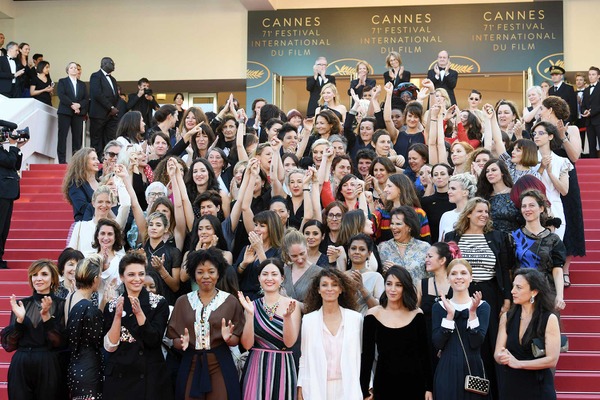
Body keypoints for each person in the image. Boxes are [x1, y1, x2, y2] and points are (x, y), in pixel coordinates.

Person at [167, 248, 245, 400]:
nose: (206, 276)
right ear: (193, 274)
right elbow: (175, 339)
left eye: (211, 271)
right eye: (200, 272)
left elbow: (236, 339)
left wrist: (229, 338)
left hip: (220, 363)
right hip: (190, 362)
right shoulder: (182, 301)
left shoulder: (230, 301)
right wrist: (181, 342)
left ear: (218, 273)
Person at [103, 251, 173, 400]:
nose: (137, 279)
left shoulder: (158, 303)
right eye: (131, 274)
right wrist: (117, 317)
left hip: (150, 378)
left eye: (141, 274)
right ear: (122, 277)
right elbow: (110, 347)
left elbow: (154, 340)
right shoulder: (112, 306)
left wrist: (140, 313)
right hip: (120, 378)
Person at [360, 266, 433, 400]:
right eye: (389, 284)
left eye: (398, 285)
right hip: (384, 383)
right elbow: (367, 357)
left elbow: (424, 354)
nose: (392, 289)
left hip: (415, 384)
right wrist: (364, 390)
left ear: (405, 287)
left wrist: (429, 387)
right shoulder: (372, 315)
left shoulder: (417, 314)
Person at [1, 260, 66, 400]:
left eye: (44, 274)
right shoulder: (21, 304)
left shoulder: (62, 304)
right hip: (21, 364)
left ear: (53, 279)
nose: (38, 278)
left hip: (48, 364)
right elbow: (9, 345)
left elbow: (59, 342)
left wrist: (46, 317)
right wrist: (19, 320)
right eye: (34, 275)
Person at [239, 258, 302, 400]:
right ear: (259, 278)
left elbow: (289, 343)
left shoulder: (293, 305)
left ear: (282, 278)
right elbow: (247, 345)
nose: (269, 278)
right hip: (256, 366)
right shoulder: (251, 305)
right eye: (265, 274)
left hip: (283, 366)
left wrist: (287, 318)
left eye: (274, 274)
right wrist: (250, 315)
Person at [495, 268, 561, 400]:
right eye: (513, 286)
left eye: (518, 287)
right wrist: (502, 356)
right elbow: (497, 354)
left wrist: (519, 363)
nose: (512, 291)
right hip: (511, 386)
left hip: (539, 387)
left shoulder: (549, 319)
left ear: (534, 292)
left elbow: (552, 360)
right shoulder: (507, 317)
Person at [297, 268, 362, 399]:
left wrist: (368, 384)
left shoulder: (355, 319)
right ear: (318, 289)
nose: (329, 289)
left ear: (341, 289)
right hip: (316, 387)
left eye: (334, 284)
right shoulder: (308, 320)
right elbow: (304, 357)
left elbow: (362, 354)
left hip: (349, 387)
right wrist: (301, 386)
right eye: (324, 285)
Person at [432, 258, 491, 400]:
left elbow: (476, 342)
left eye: (463, 273)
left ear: (471, 278)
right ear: (448, 278)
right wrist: (449, 316)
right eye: (454, 273)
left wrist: (472, 313)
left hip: (473, 371)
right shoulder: (439, 307)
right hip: (447, 371)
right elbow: (438, 343)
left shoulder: (482, 307)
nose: (459, 277)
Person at [511, 189, 566, 311]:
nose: (527, 209)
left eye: (531, 205)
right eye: (524, 206)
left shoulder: (553, 239)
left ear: (541, 208)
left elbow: (557, 269)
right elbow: (509, 268)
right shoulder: (513, 237)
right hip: (520, 293)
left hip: (545, 291)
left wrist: (560, 295)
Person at [64, 255, 104, 400]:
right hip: (89, 368)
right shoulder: (89, 308)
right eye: (99, 276)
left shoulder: (70, 297)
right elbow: (99, 341)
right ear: (95, 279)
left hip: (73, 365)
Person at [418, 242, 459, 372]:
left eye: (430, 256)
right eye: (426, 256)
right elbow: (415, 314)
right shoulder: (422, 284)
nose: (426, 260)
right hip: (426, 343)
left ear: (442, 260)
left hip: (451, 343)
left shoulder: (456, 284)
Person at [532, 121, 572, 239]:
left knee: (555, 247)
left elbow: (564, 190)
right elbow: (528, 185)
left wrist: (550, 173)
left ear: (550, 136)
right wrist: (541, 168)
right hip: (533, 209)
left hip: (555, 209)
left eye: (541, 133)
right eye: (534, 134)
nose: (536, 136)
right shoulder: (529, 159)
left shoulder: (561, 161)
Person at [378, 206, 430, 285]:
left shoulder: (425, 248)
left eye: (398, 224)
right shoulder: (383, 247)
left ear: (409, 227)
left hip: (417, 292)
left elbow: (432, 276)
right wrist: (385, 272)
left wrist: (398, 271)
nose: (393, 227)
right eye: (392, 223)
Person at [0, 130, 25, 269]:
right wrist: (12, 146)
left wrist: (18, 148)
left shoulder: (4, 150)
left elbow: (15, 165)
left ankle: (0, 258)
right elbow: (9, 162)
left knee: (4, 228)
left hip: (7, 193)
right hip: (2, 193)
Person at [476, 159, 520, 233]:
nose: (490, 173)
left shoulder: (515, 193)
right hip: (490, 237)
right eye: (487, 171)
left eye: (493, 170)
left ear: (502, 172)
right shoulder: (484, 196)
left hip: (514, 237)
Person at [56, 61, 88, 164]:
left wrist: (79, 105)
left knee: (77, 137)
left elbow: (86, 98)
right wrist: (72, 105)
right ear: (67, 70)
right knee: (62, 136)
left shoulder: (82, 84)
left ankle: (76, 161)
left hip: (78, 113)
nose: (74, 69)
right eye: (71, 68)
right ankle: (62, 160)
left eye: (75, 68)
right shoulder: (62, 81)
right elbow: (61, 95)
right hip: (65, 112)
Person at [282, 228, 323, 303]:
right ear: (288, 253)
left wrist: (292, 302)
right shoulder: (284, 271)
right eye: (294, 256)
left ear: (307, 247)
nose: (300, 260)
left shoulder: (319, 272)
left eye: (302, 253)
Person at [89, 57, 120, 157]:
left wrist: (114, 108)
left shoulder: (113, 79)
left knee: (110, 138)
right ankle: (96, 159)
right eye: (112, 63)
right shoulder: (95, 76)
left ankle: (108, 158)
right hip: (99, 114)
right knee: (97, 139)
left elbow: (116, 96)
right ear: (104, 64)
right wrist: (110, 107)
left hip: (111, 115)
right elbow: (97, 94)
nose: (114, 65)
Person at [421, 164, 455, 243]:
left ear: (450, 177)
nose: (439, 177)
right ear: (432, 179)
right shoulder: (426, 202)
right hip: (433, 244)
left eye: (442, 174)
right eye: (436, 175)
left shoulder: (456, 200)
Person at [582, 66, 600, 158]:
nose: (591, 76)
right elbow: (583, 105)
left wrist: (591, 112)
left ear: (598, 76)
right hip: (589, 122)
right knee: (591, 145)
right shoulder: (586, 90)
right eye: (589, 74)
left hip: (599, 120)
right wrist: (585, 110)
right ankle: (593, 163)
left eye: (593, 74)